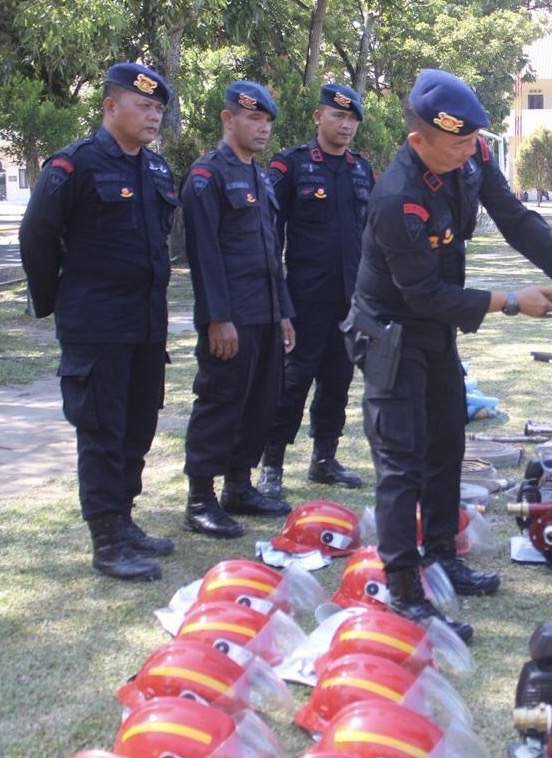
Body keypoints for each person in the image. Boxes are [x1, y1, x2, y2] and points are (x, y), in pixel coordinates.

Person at [349, 69, 552, 641]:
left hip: (436, 328)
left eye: (472, 141)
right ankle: (404, 590)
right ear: (418, 140)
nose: (468, 152)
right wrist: (510, 301)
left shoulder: (472, 154)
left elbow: (513, 217)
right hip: (392, 330)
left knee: (446, 443)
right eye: (455, 145)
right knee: (401, 461)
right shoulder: (398, 197)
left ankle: (442, 557)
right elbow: (422, 293)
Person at [19, 63, 178, 581]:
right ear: (110, 106)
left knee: (138, 428)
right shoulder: (75, 164)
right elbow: (37, 235)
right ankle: (106, 539)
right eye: (143, 105)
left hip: (146, 324)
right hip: (98, 325)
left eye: (158, 109)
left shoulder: (155, 170)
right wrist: (56, 301)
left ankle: (124, 520)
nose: (153, 116)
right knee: (102, 432)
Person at [180, 80, 296, 540]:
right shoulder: (207, 176)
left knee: (260, 403)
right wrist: (217, 318)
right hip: (231, 317)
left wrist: (283, 312)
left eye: (267, 121)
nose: (263, 128)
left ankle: (239, 487)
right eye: (253, 118)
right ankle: (200, 499)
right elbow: (204, 255)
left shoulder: (260, 178)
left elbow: (271, 252)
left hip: (265, 313)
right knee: (220, 403)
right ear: (228, 119)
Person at [257, 83, 373, 500]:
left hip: (350, 299)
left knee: (338, 380)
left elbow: (371, 237)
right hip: (304, 297)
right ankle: (271, 464)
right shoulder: (291, 165)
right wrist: (279, 301)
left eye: (352, 119)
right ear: (318, 117)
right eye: (338, 116)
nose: (345, 125)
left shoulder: (361, 169)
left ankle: (324, 458)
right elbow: (270, 237)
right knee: (292, 382)